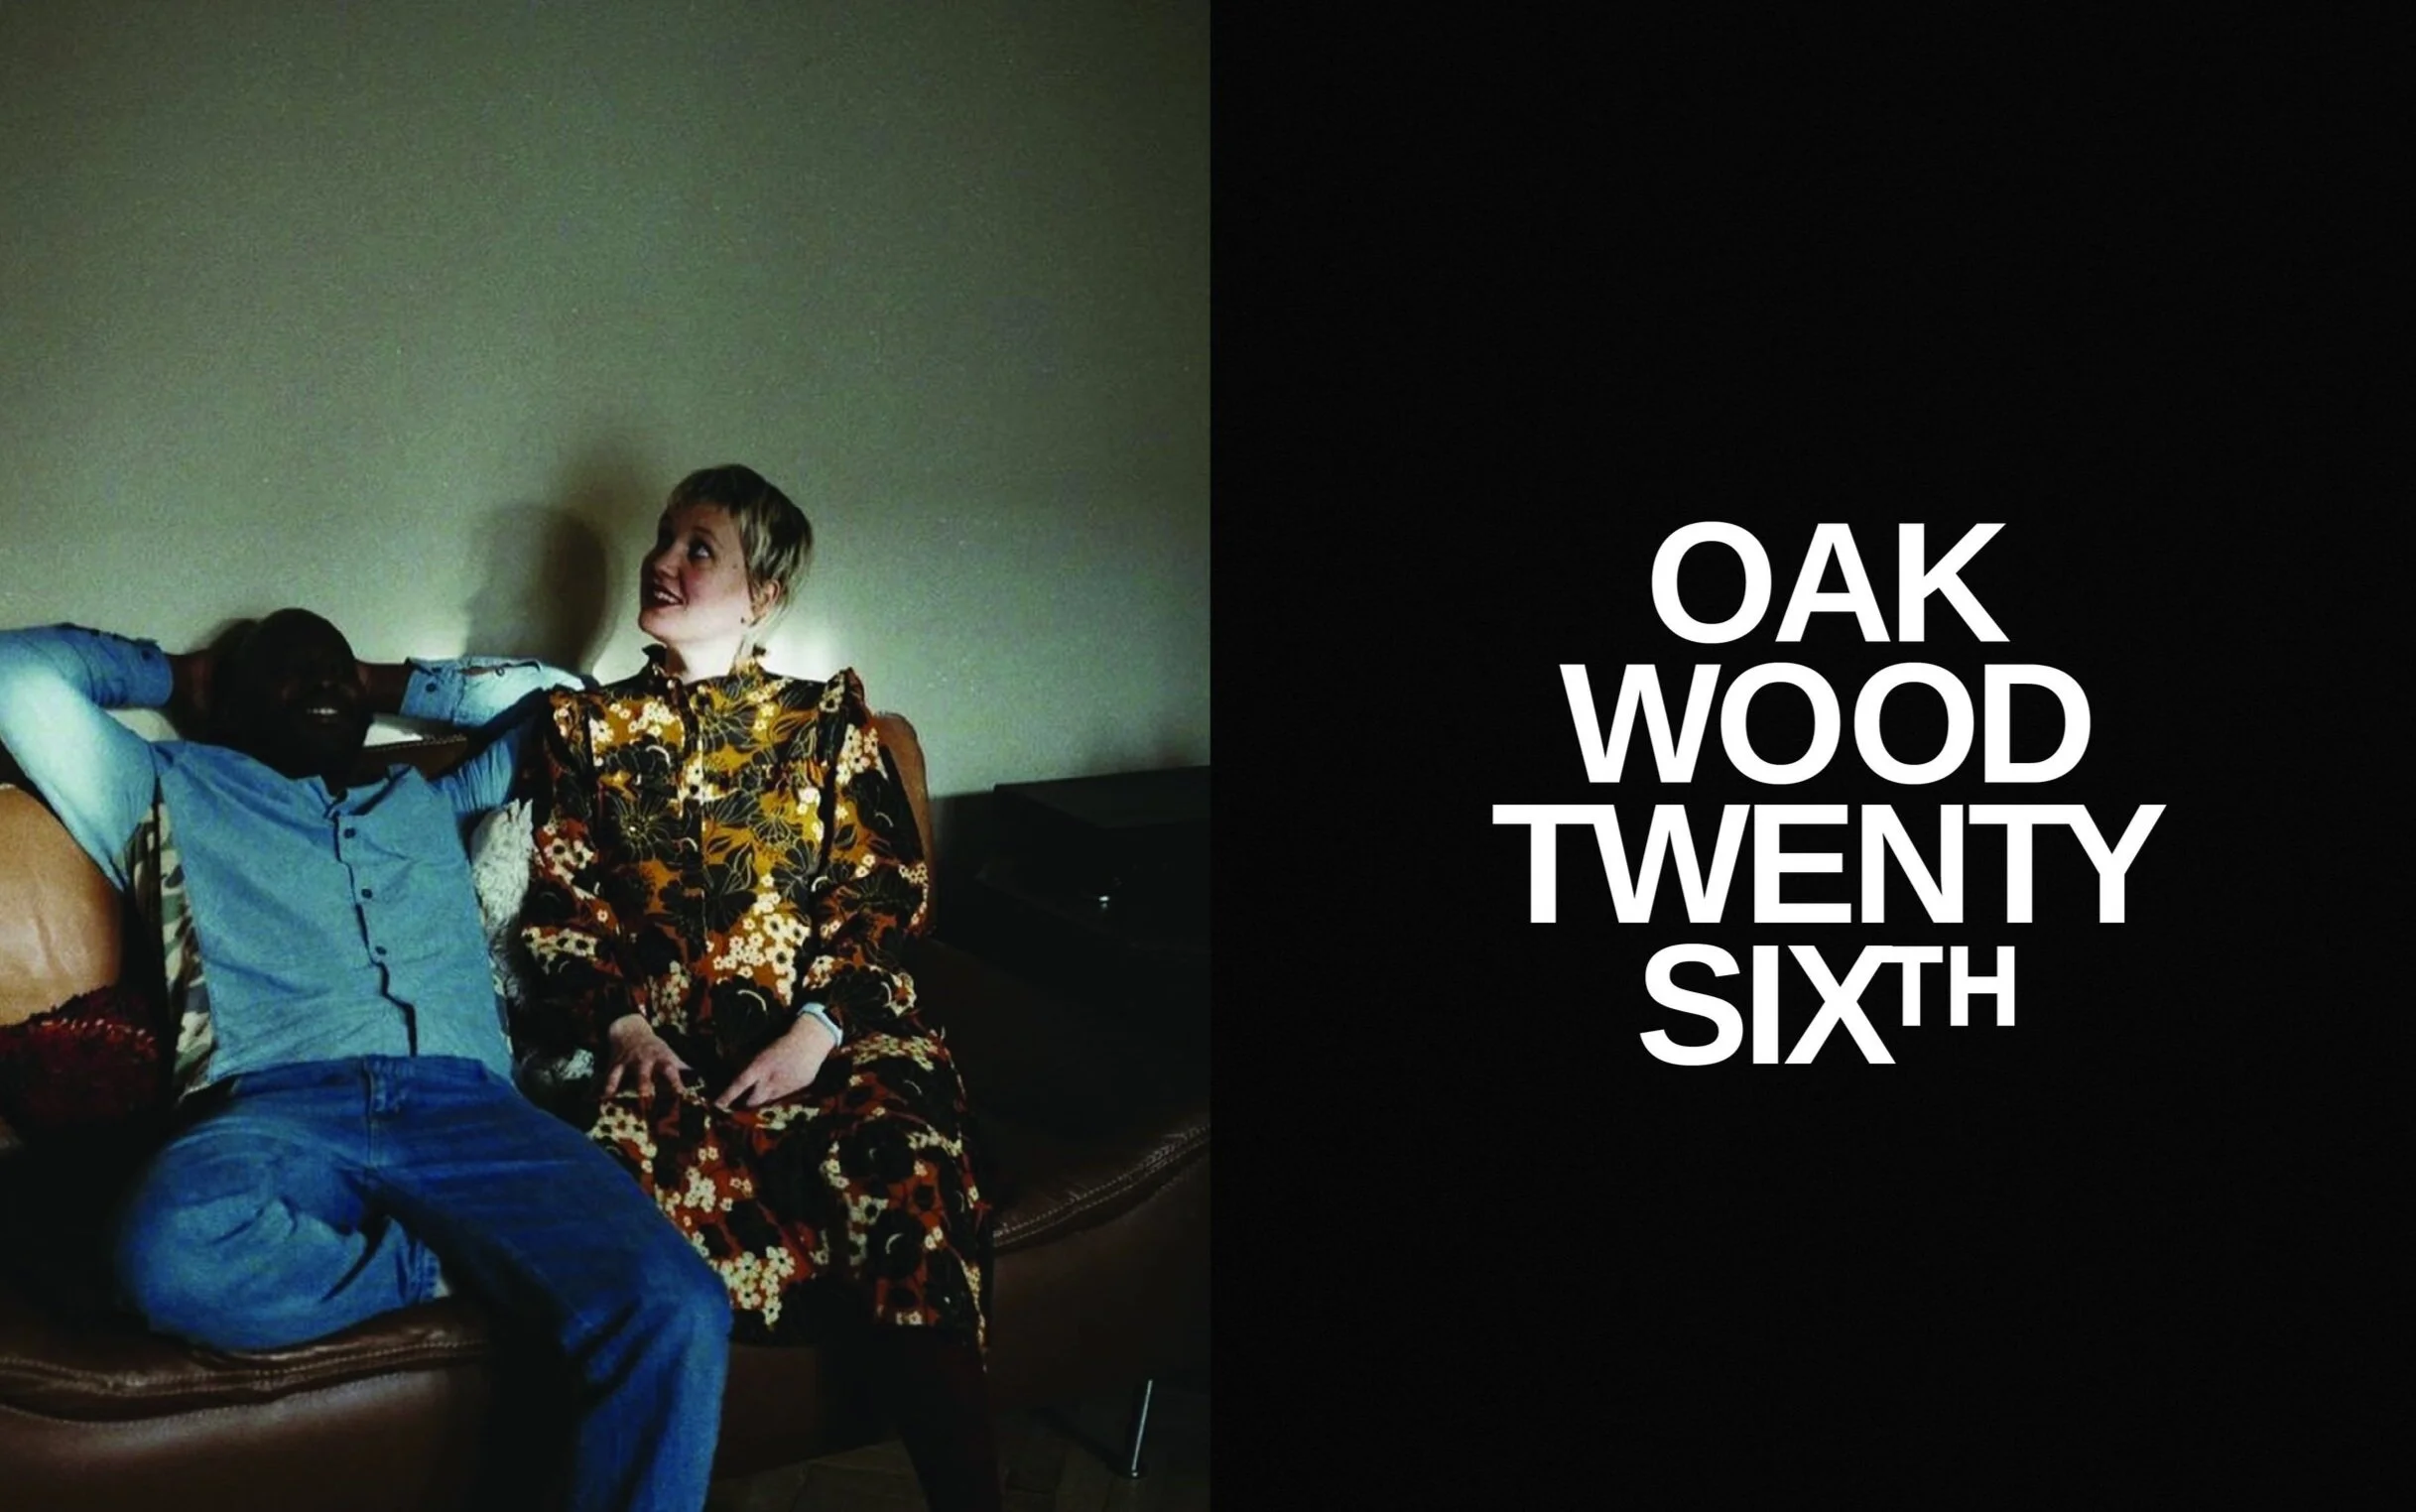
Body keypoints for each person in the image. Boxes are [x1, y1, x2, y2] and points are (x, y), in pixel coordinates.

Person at [0, 610, 732, 1512]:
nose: (323, 681)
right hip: (271, 1109)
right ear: (227, 700)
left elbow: (567, 700)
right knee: (168, 1251)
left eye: (336, 670)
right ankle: (443, 1264)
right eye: (289, 667)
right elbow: (12, 676)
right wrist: (177, 676)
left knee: (677, 1304)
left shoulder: (429, 800)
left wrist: (381, 682)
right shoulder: (161, 785)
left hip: (475, 1112)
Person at [513, 465, 999, 1511]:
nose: (661, 560)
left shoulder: (825, 724)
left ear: (761, 595)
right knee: (609, 1207)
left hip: (836, 1045)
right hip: (671, 1067)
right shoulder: (581, 729)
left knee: (897, 1169)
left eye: (699, 548)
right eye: (663, 537)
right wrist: (625, 1026)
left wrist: (816, 1032)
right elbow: (558, 905)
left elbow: (882, 895)